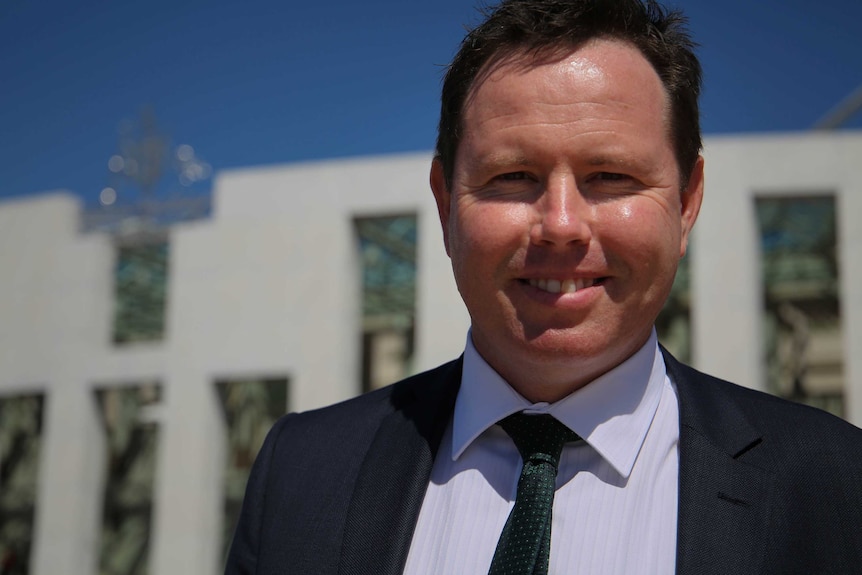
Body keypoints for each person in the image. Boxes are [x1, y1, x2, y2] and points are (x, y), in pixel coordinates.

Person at [225, 0, 862, 573]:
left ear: (688, 201)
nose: (560, 225)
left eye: (610, 176)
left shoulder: (834, 484)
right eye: (512, 176)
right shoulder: (301, 473)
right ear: (445, 203)